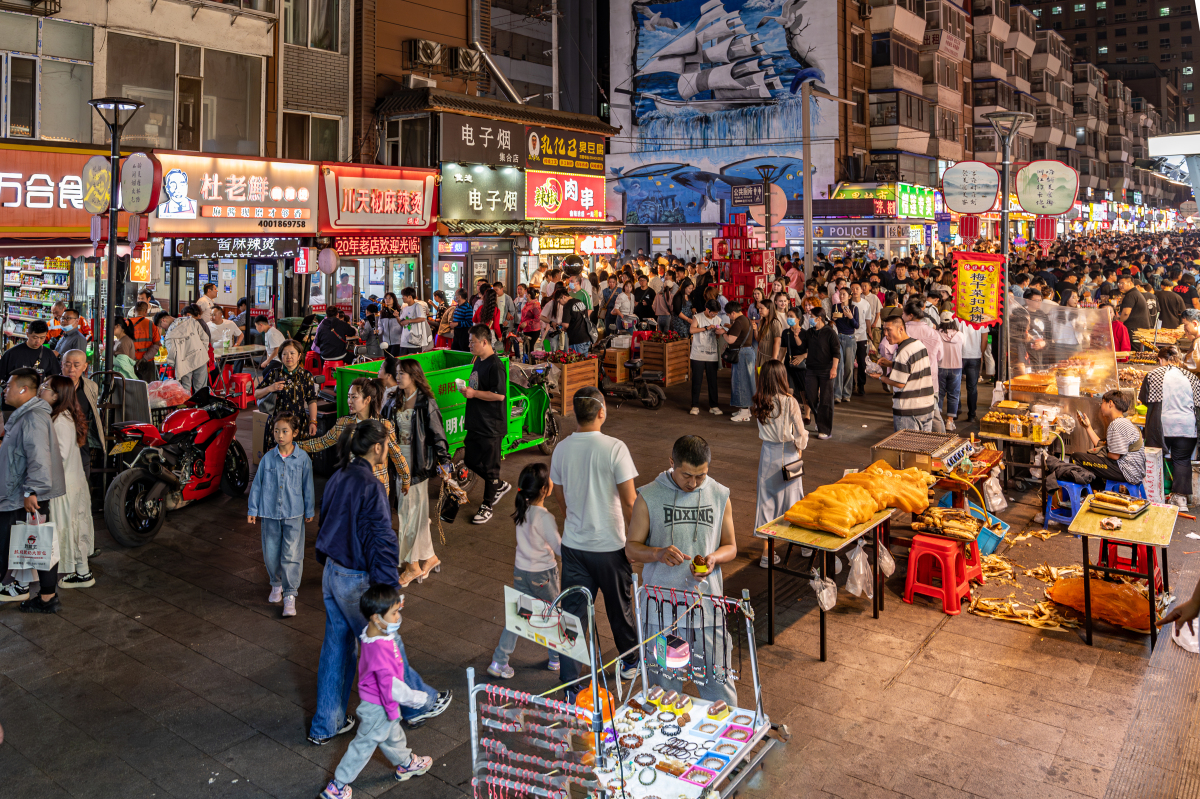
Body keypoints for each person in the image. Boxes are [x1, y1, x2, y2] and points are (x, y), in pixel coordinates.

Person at [308, 421, 449, 747]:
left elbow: (325, 518)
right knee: (388, 647)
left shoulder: (339, 475)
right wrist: (389, 590)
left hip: (332, 571)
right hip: (356, 578)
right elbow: (382, 540)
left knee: (335, 646)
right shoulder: (370, 485)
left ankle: (326, 724)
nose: (388, 450)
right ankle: (420, 705)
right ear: (376, 448)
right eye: (386, 445)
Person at [624, 435, 738, 706]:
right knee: (664, 692)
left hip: (708, 611)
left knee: (720, 689)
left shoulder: (720, 494)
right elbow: (630, 549)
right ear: (671, 463)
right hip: (661, 614)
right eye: (687, 475)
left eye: (701, 476)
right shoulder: (649, 496)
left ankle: (730, 744)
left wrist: (714, 559)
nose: (694, 483)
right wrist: (658, 554)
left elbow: (731, 546)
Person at [550, 387, 640, 694]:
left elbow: (560, 498)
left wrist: (576, 521)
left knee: (571, 617)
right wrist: (636, 543)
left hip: (574, 548)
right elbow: (630, 503)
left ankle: (571, 685)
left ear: (575, 414)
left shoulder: (561, 449)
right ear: (601, 412)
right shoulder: (615, 448)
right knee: (620, 609)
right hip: (611, 547)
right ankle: (629, 662)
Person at [318, 584, 434, 799]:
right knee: (363, 745)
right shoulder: (380, 650)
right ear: (375, 617)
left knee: (393, 735)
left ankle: (406, 763)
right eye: (394, 613)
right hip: (378, 706)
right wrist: (417, 698)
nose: (398, 617)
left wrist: (392, 603)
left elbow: (385, 622)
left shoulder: (372, 633)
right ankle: (338, 785)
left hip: (382, 705)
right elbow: (393, 688)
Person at [378, 356, 463, 586]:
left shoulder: (426, 402)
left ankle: (412, 565)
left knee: (408, 515)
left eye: (402, 373)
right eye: (396, 373)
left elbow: (438, 436)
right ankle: (429, 557)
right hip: (397, 463)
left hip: (417, 466)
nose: (398, 377)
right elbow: (383, 426)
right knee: (413, 513)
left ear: (414, 376)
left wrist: (446, 467)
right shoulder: (394, 399)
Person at [487, 462, 562, 679]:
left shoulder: (522, 511)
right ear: (544, 490)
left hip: (521, 572)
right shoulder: (545, 517)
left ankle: (499, 661)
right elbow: (558, 547)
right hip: (544, 576)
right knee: (553, 615)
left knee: (519, 617)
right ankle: (556, 659)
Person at [0, 369, 66, 609]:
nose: (5, 389)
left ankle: (48, 597)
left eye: (8, 385)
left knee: (32, 543)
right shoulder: (27, 415)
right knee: (39, 544)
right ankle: (48, 597)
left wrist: (32, 492)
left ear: (23, 389)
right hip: (20, 492)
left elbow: (38, 456)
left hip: (22, 495)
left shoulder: (32, 417)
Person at [248, 414, 315, 618]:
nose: (279, 435)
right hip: (269, 514)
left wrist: (309, 510)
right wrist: (253, 509)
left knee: (292, 554)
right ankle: (276, 584)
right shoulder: (268, 458)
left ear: (294, 433)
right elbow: (257, 485)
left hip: (294, 513)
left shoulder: (303, 459)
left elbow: (308, 487)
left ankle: (290, 594)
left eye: (285, 431)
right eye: (276, 430)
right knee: (270, 552)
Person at [301, 377, 409, 498]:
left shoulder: (384, 426)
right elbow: (321, 442)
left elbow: (396, 454)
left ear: (367, 399)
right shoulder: (344, 424)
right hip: (352, 489)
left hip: (377, 490)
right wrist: (295, 446)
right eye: (348, 396)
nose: (349, 401)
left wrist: (405, 478)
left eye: (354, 397)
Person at [38, 376, 94, 590]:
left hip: (64, 485)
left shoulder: (59, 419)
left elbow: (58, 455)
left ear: (56, 395)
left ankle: (82, 573)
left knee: (70, 527)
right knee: (76, 525)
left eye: (45, 387)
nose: (41, 389)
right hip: (73, 480)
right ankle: (82, 572)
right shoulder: (65, 415)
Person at [751, 361, 808, 569]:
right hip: (789, 454)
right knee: (794, 499)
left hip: (767, 455)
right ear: (782, 377)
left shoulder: (758, 401)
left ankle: (767, 554)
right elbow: (801, 434)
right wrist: (800, 446)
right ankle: (804, 545)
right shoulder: (790, 401)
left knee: (766, 503)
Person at [1137, 344, 1199, 508]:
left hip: (1162, 426)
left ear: (1160, 360)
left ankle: (1154, 497)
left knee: (1156, 459)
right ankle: (1180, 500)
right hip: (1187, 426)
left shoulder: (1153, 375)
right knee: (1182, 460)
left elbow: (1143, 399)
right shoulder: (1192, 377)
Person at [461, 325, 510, 524]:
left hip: (491, 424)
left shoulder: (495, 365)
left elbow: (499, 395)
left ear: (484, 342)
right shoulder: (478, 361)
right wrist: (467, 390)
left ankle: (487, 505)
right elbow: (477, 386)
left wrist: (474, 394)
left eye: (472, 342)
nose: (470, 345)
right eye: (469, 342)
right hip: (476, 421)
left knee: (491, 467)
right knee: (470, 460)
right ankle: (497, 484)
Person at [873, 314, 937, 431]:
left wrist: (879, 377)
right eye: (884, 330)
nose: (885, 334)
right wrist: (892, 364)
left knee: (906, 449)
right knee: (923, 448)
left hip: (909, 411)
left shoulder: (902, 352)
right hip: (927, 407)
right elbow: (913, 367)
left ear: (901, 329)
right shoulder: (918, 345)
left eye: (888, 330)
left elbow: (899, 383)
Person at [1073, 390, 1147, 490]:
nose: (1101, 406)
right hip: (1134, 471)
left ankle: (1092, 493)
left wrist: (1101, 453)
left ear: (1110, 403)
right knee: (1092, 457)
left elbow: (1115, 456)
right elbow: (1101, 446)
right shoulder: (1124, 422)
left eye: (1102, 402)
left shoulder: (1116, 425)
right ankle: (1097, 491)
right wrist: (1088, 427)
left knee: (1076, 458)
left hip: (1127, 471)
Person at [255, 340, 319, 450]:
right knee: (276, 460)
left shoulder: (306, 375)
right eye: (284, 354)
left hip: (299, 424)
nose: (288, 356)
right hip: (276, 425)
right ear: (280, 357)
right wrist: (270, 388)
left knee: (298, 459)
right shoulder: (274, 373)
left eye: (292, 353)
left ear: (299, 356)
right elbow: (257, 393)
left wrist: (313, 421)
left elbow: (312, 400)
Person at [59, 350, 102, 479]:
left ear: (84, 367)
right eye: (67, 364)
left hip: (81, 441)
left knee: (82, 479)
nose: (71, 369)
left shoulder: (91, 387)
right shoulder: (51, 385)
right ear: (61, 364)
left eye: (76, 365)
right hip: (58, 442)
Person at [0, 320, 60, 402]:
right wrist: (8, 389)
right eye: (35, 337)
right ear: (27, 334)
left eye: (42, 338)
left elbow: (55, 378)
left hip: (35, 402)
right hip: (12, 403)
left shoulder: (49, 354)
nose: (38, 341)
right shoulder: (12, 353)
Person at [803, 308, 839, 440]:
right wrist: (796, 336)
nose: (809, 318)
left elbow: (836, 352)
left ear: (819, 318)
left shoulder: (830, 333)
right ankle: (820, 420)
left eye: (811, 316)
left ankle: (825, 429)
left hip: (826, 370)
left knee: (826, 399)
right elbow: (803, 345)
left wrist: (834, 368)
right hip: (811, 369)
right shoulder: (809, 332)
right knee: (810, 397)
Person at [689, 299, 725, 416]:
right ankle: (695, 405)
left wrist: (718, 332)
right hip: (698, 353)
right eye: (712, 312)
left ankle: (713, 405)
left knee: (713, 381)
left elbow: (718, 337)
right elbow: (692, 330)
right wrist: (706, 328)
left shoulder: (718, 319)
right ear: (707, 309)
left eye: (716, 313)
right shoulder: (698, 317)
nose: (714, 315)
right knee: (697, 380)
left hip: (712, 353)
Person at [163, 304, 210, 393]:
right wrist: (203, 351)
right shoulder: (193, 323)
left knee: (185, 389)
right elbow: (205, 338)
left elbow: (172, 352)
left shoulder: (169, 334)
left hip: (183, 362)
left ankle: (186, 407)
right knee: (201, 389)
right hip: (199, 358)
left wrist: (174, 364)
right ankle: (200, 406)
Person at [724, 301, 756, 423]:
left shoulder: (738, 321)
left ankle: (743, 412)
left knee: (741, 381)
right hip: (747, 352)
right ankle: (745, 410)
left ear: (733, 313)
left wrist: (723, 333)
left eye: (729, 314)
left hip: (742, 354)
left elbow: (731, 340)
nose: (729, 317)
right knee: (747, 381)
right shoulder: (746, 320)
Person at [936, 311, 964, 432]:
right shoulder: (960, 335)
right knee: (954, 395)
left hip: (940, 367)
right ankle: (949, 422)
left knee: (940, 394)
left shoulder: (937, 335)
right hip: (956, 368)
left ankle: (937, 421)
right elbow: (963, 348)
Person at [831, 287, 859, 403]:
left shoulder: (854, 308)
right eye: (840, 294)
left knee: (848, 367)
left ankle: (846, 393)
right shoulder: (835, 307)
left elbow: (856, 325)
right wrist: (832, 320)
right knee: (838, 366)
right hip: (838, 337)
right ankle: (837, 394)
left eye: (844, 294)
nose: (842, 296)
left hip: (850, 338)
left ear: (849, 296)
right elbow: (833, 322)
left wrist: (850, 317)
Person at [397, 287, 430, 355]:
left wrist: (408, 321)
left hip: (415, 341)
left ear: (410, 297)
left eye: (404, 296)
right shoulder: (405, 308)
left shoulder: (417, 306)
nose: (402, 298)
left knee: (413, 362)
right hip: (404, 341)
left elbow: (422, 318)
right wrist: (396, 316)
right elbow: (401, 323)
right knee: (403, 362)